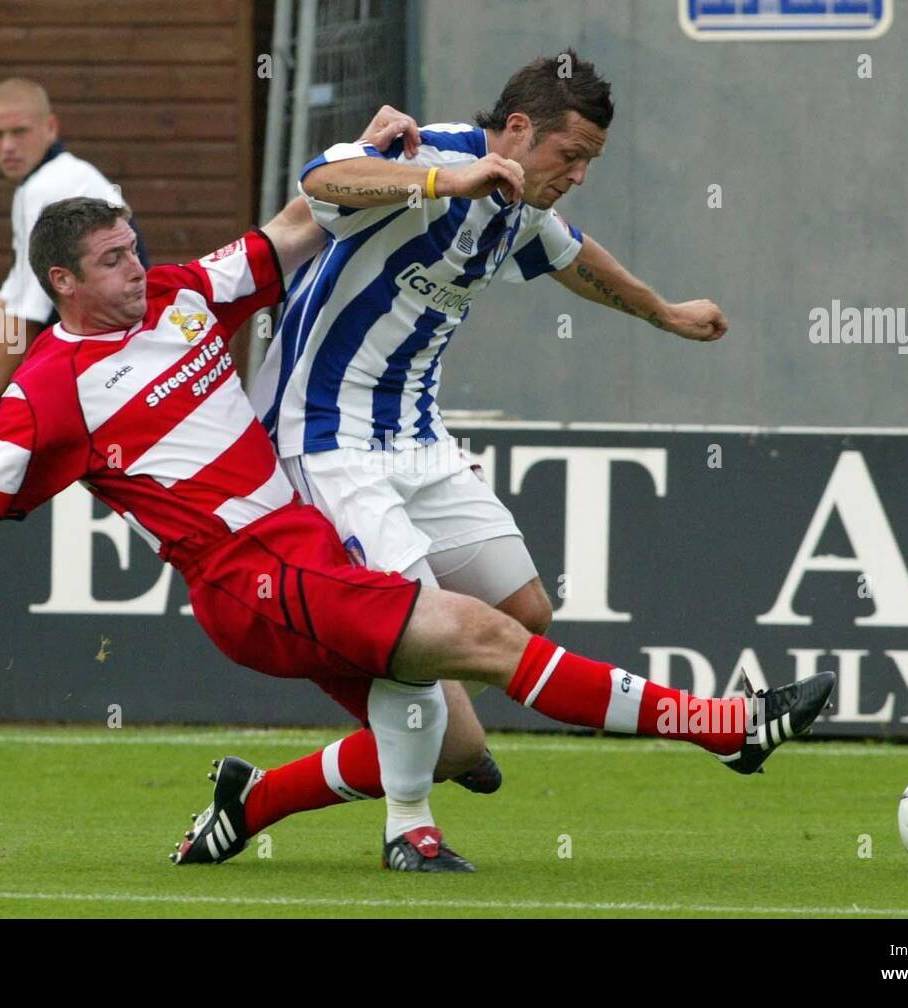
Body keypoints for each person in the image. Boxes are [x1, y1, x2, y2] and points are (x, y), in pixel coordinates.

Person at [0, 196, 835, 873]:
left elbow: (299, 222)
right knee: (482, 637)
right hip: (247, 580)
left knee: (457, 741)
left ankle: (252, 804)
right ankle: (727, 729)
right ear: (65, 284)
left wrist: (388, 155)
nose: (136, 264)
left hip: (304, 551)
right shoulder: (48, 391)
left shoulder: (180, 296)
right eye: (113, 260)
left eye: (135, 248)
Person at [244, 51, 729, 852]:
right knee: (414, 638)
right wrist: (446, 182)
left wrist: (665, 314)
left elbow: (573, 256)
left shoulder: (519, 204)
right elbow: (322, 186)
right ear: (514, 129)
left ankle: (397, 740)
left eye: (589, 162)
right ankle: (410, 829)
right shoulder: (428, 152)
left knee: (524, 614)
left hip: (417, 439)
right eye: (570, 155)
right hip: (325, 436)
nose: (576, 175)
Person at [0, 78, 148, 449]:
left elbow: (25, 319)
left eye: (19, 132)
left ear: (50, 128)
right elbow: (13, 294)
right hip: (111, 352)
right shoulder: (51, 179)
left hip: (107, 364)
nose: (7, 146)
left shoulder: (45, 188)